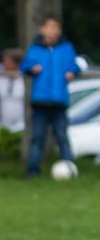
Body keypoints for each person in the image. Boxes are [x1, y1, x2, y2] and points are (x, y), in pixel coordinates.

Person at [20, 16, 81, 179]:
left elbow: (75, 65)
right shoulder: (35, 48)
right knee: (37, 137)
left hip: (59, 100)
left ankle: (70, 168)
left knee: (62, 136)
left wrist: (73, 71)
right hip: (40, 100)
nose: (53, 31)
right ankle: (33, 171)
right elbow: (24, 65)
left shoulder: (66, 48)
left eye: (56, 28)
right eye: (50, 27)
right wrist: (32, 68)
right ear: (42, 29)